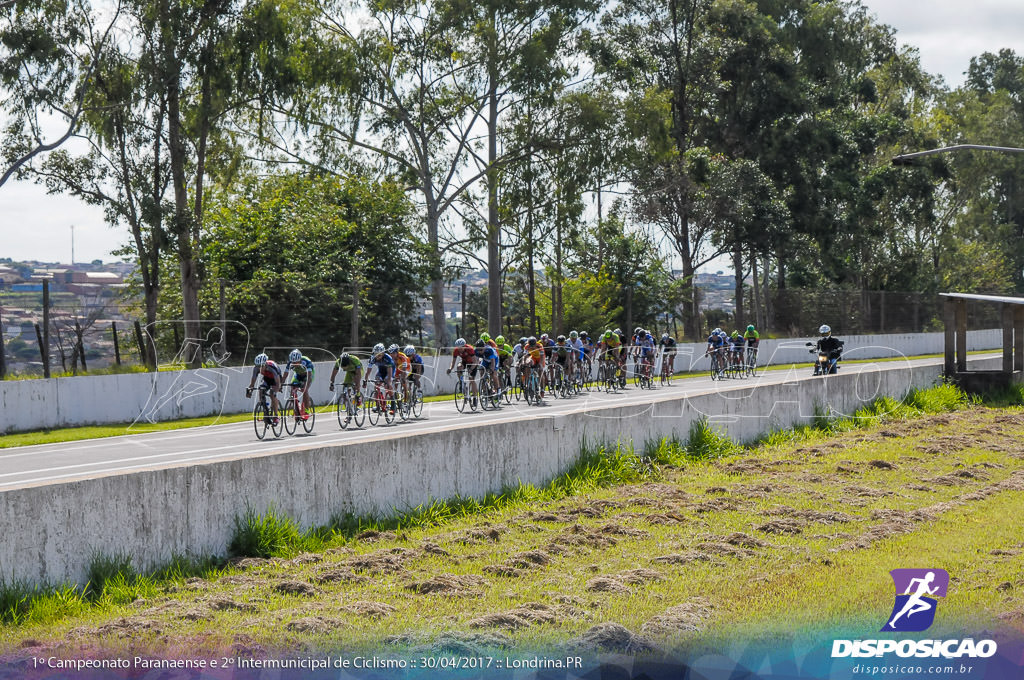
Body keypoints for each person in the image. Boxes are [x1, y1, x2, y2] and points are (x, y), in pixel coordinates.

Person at [246, 353, 283, 424]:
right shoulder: (256, 369)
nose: (259, 368)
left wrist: (276, 389)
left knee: (272, 394)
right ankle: (264, 406)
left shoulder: (272, 367)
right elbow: (252, 383)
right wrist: (250, 391)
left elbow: (278, 383)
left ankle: (276, 416)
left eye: (261, 366)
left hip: (276, 379)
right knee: (261, 389)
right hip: (267, 379)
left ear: (265, 364)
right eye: (258, 366)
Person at [282, 348, 315, 419]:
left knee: (305, 390)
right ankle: (296, 407)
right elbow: (285, 374)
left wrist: (306, 385)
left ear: (300, 359)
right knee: (292, 386)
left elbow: (309, 376)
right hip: (298, 375)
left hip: (307, 375)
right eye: (293, 362)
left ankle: (306, 410)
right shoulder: (290, 363)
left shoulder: (306, 361)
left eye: (296, 362)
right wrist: (281, 383)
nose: (294, 364)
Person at [364, 343, 397, 412]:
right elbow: (368, 371)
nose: (377, 356)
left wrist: (389, 381)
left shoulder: (387, 358)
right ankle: (378, 405)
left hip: (390, 370)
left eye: (379, 355)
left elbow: (390, 372)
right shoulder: (372, 358)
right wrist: (365, 380)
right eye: (376, 354)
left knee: (387, 384)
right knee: (376, 384)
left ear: (383, 354)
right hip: (381, 371)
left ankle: (393, 401)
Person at [446, 338, 479, 403]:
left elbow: (475, 361)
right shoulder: (456, 351)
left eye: (461, 348)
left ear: (464, 346)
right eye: (458, 348)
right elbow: (453, 362)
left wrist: (471, 369)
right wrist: (450, 368)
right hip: (464, 361)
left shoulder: (470, 349)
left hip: (473, 363)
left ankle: (475, 397)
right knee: (459, 367)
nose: (460, 349)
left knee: (471, 379)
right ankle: (461, 383)